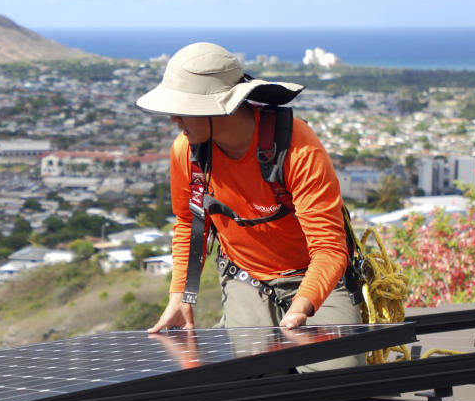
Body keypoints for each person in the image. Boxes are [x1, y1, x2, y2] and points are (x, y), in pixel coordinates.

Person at [135, 42, 363, 371]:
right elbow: (188, 224)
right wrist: (180, 296)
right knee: (250, 376)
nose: (174, 119)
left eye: (182, 110)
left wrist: (302, 306)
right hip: (246, 275)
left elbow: (329, 247)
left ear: (218, 107)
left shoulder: (296, 147)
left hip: (312, 275)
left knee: (335, 373)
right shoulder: (187, 152)